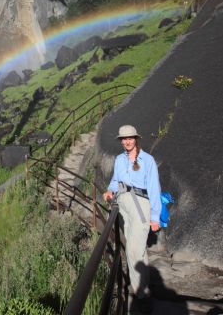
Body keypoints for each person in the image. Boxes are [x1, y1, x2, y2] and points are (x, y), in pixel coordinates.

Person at [102, 125, 161, 313]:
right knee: (138, 249)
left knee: (134, 250)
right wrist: (110, 190)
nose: (127, 141)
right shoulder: (119, 159)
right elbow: (115, 180)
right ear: (121, 141)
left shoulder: (148, 160)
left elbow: (154, 188)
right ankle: (144, 286)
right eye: (124, 139)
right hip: (124, 205)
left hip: (140, 204)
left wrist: (154, 216)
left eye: (130, 138)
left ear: (136, 139)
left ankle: (140, 291)